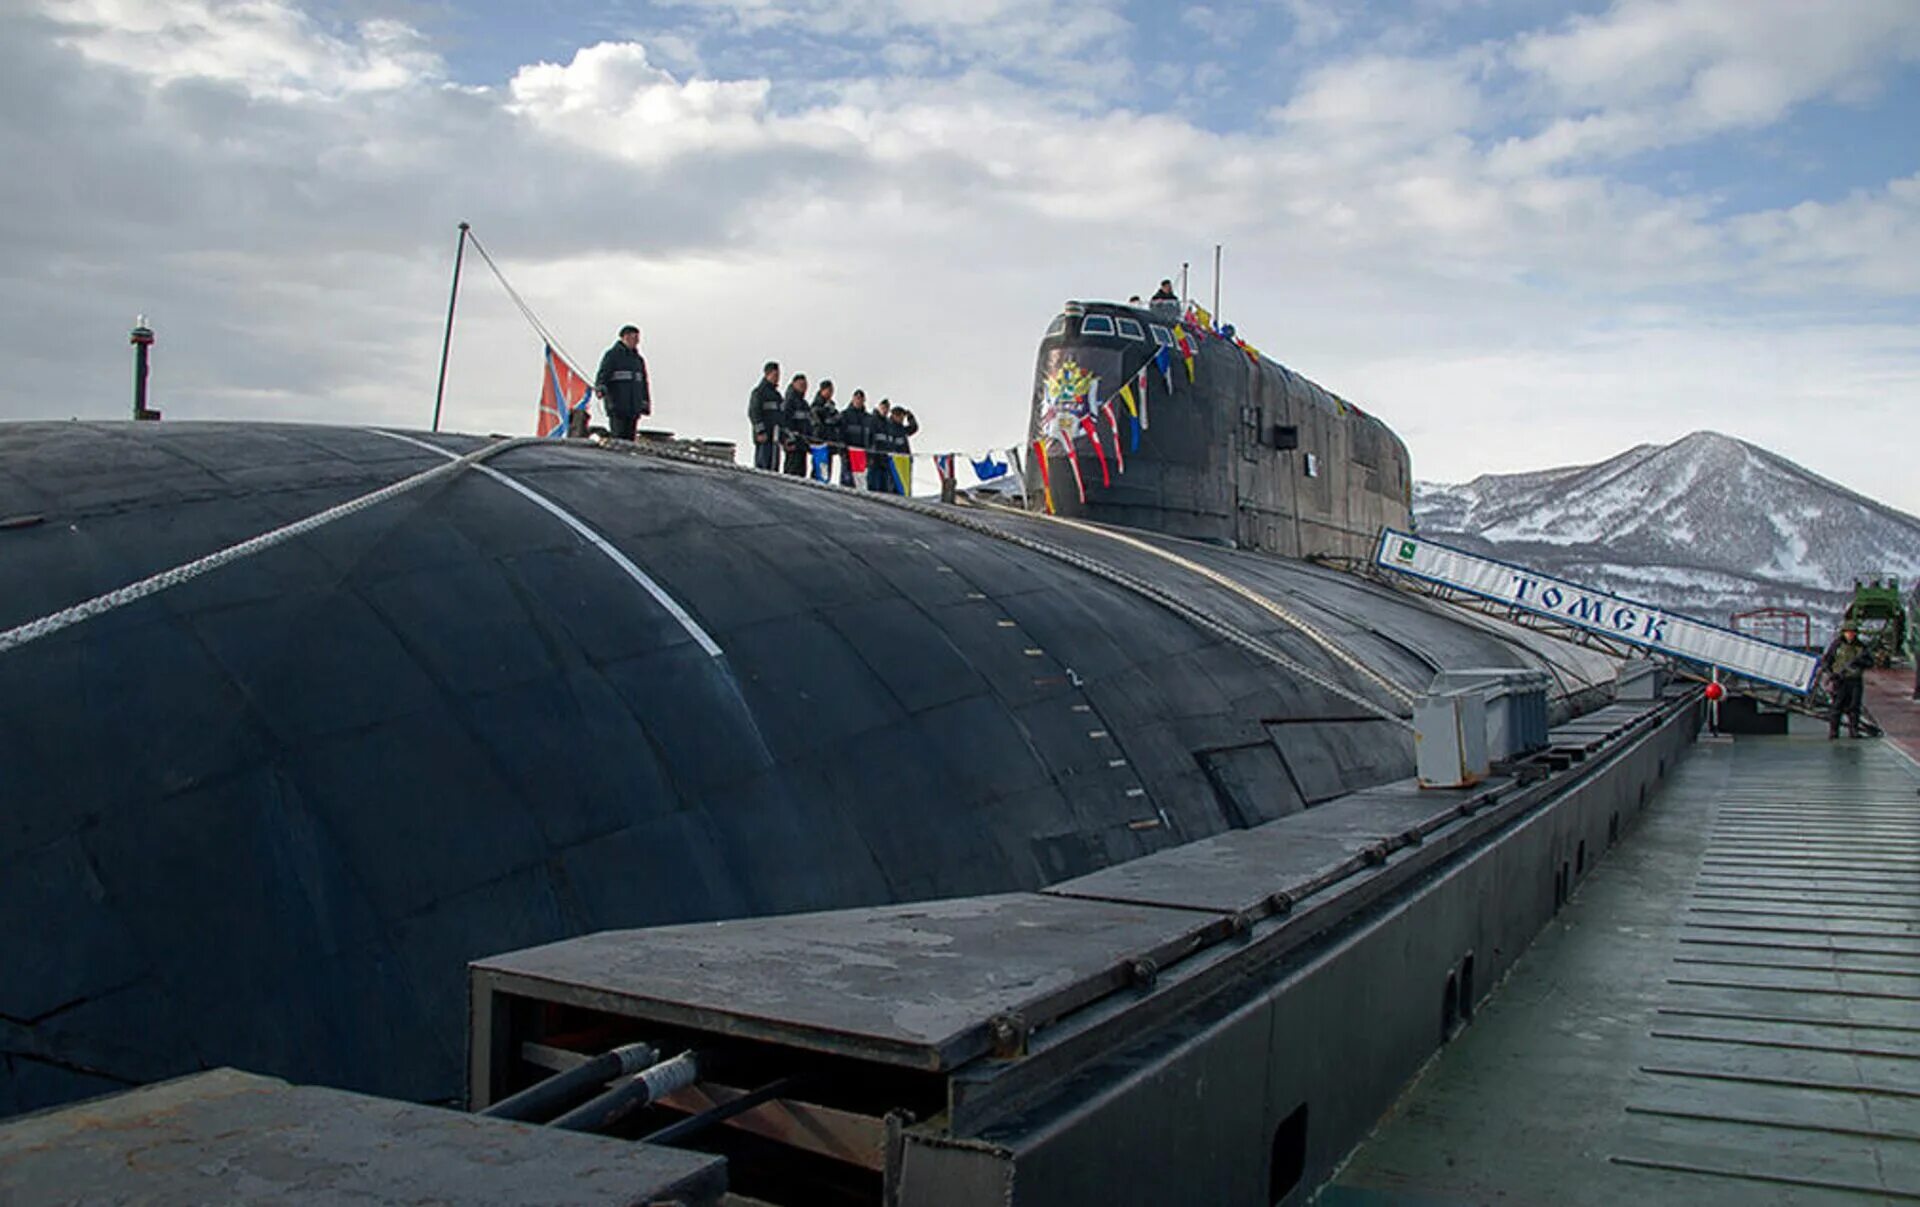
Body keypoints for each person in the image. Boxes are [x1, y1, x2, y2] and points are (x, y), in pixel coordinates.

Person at [594, 325, 651, 440]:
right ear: (625, 337)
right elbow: (603, 374)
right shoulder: (613, 355)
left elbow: (643, 383)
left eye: (637, 338)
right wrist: (600, 388)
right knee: (618, 438)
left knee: (629, 440)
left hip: (633, 407)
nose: (636, 341)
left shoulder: (638, 360)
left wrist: (645, 402)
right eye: (633, 337)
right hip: (617, 406)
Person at [1821, 624, 1872, 739]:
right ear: (1844, 633)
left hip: (1855, 680)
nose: (1850, 635)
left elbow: (1870, 662)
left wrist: (1860, 662)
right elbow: (1827, 660)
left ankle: (1854, 731)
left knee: (1854, 706)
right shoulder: (1837, 645)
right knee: (1837, 706)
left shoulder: (1861, 647)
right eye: (1848, 632)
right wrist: (1830, 673)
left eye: (1853, 632)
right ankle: (1834, 731)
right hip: (1840, 680)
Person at [748, 361, 783, 470]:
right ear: (767, 374)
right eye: (775, 375)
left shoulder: (777, 396)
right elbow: (754, 412)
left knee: (774, 467)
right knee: (763, 466)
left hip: (775, 438)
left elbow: (781, 417)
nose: (777, 378)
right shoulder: (759, 393)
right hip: (765, 438)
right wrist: (760, 431)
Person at [839, 390, 873, 487]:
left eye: (861, 399)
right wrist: (842, 451)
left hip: (861, 455)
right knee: (847, 482)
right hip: (848, 453)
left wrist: (869, 454)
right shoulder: (845, 415)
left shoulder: (869, 419)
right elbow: (840, 434)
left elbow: (871, 437)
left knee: (860, 483)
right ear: (853, 399)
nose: (859, 401)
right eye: (857, 398)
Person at [781, 373, 812, 476]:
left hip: (802, 445)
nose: (803, 387)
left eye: (805, 385)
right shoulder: (789, 402)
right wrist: (788, 439)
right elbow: (784, 422)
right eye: (801, 385)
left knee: (802, 473)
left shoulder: (805, 404)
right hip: (793, 444)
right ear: (794, 384)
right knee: (792, 472)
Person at [810, 380, 841, 482]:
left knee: (826, 473)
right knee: (819, 471)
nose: (831, 393)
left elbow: (837, 421)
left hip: (829, 444)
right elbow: (817, 424)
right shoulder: (816, 406)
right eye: (829, 390)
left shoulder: (831, 407)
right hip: (820, 444)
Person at [867, 399, 897, 492]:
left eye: (887, 409)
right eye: (883, 408)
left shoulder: (889, 424)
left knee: (885, 489)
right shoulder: (872, 420)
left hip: (885, 461)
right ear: (879, 407)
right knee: (874, 488)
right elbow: (868, 439)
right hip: (874, 460)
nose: (885, 411)